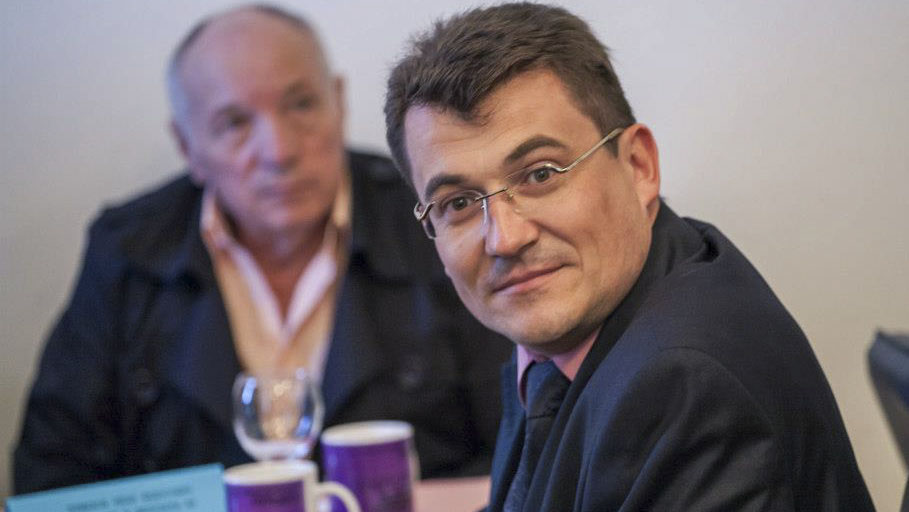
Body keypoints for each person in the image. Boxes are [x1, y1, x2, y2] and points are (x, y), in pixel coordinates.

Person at [384, 3, 874, 510]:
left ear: (638, 167)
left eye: (541, 174)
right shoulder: (569, 318)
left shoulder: (685, 384)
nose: (504, 239)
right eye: (459, 204)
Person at [13, 4, 511, 493]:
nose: (279, 151)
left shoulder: (432, 219)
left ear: (338, 103)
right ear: (188, 147)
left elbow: (521, 447)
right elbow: (52, 476)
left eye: (301, 105)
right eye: (234, 123)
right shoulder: (129, 251)